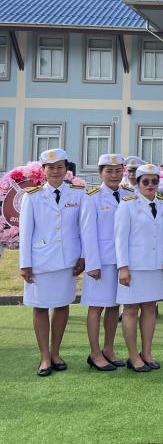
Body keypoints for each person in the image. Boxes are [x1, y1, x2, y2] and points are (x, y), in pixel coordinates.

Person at [19, 148, 85, 376]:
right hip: (41, 260)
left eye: (60, 167)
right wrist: (25, 263)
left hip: (68, 260)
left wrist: (83, 256)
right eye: (51, 167)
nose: (56, 171)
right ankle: (44, 356)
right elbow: (26, 232)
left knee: (62, 304)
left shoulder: (78, 194)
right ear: (43, 170)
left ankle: (56, 352)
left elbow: (83, 228)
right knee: (40, 307)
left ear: (66, 169)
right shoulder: (32, 196)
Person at [114, 164, 163, 372]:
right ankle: (133, 356)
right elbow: (120, 239)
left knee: (150, 309)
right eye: (145, 181)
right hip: (134, 267)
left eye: (154, 181)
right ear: (137, 183)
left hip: (155, 266)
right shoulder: (127, 204)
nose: (150, 185)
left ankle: (147, 352)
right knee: (130, 310)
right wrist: (123, 267)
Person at [80, 153, 127, 371]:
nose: (114, 175)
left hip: (122, 261)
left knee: (114, 306)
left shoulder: (129, 194)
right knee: (96, 306)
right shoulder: (92, 197)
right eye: (109, 171)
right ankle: (95, 353)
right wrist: (92, 264)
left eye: (118, 171)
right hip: (101, 262)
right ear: (100, 173)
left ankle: (109, 349)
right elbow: (87, 233)